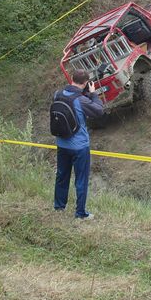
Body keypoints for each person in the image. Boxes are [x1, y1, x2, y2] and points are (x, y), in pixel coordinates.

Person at [53, 69, 104, 220]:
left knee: (62, 175)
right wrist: (93, 94)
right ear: (86, 83)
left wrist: (85, 93)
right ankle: (80, 213)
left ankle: (59, 206)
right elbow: (99, 111)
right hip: (79, 146)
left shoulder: (57, 94)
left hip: (62, 143)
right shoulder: (81, 100)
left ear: (72, 79)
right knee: (81, 179)